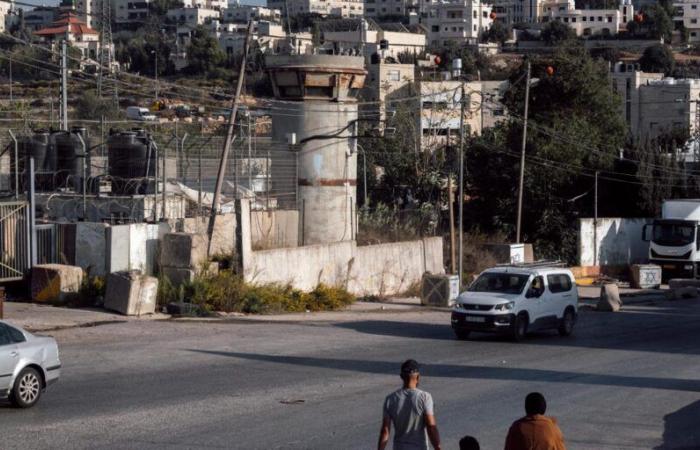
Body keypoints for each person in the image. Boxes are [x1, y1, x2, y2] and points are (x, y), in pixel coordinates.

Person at [377, 359, 441, 450]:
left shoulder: (390, 399)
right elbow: (431, 427)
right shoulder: (425, 397)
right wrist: (438, 447)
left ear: (401, 377)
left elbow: (385, 431)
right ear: (418, 377)